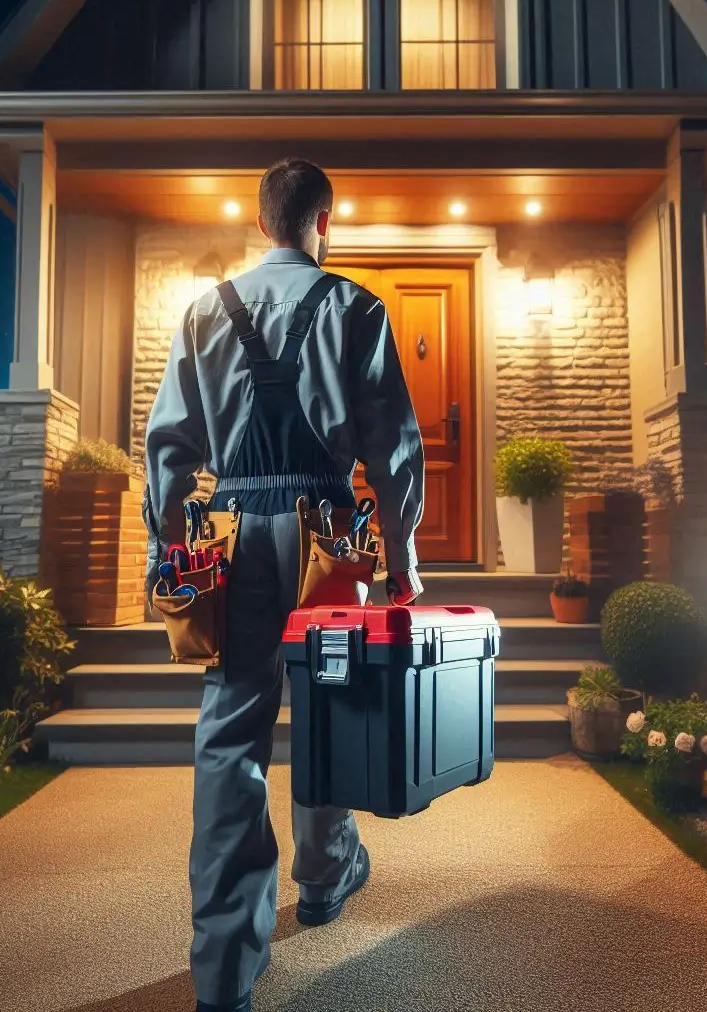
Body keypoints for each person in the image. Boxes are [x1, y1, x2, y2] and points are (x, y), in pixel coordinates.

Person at [142, 157, 425, 1012]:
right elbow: (396, 449)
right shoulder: (356, 308)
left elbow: (167, 448)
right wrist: (403, 554)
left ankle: (225, 966)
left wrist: (170, 543)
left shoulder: (203, 311)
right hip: (330, 539)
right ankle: (326, 874)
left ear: (264, 224)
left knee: (230, 728)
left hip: (230, 538)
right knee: (332, 707)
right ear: (323, 223)